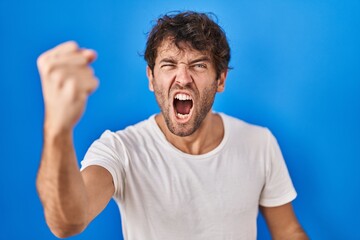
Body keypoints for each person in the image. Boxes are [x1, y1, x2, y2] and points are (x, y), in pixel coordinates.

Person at [36, 11, 308, 240]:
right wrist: (57, 130)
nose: (183, 78)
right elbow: (67, 222)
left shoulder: (258, 142)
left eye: (198, 65)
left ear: (220, 79)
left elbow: (288, 230)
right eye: (168, 64)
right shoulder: (120, 150)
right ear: (151, 78)